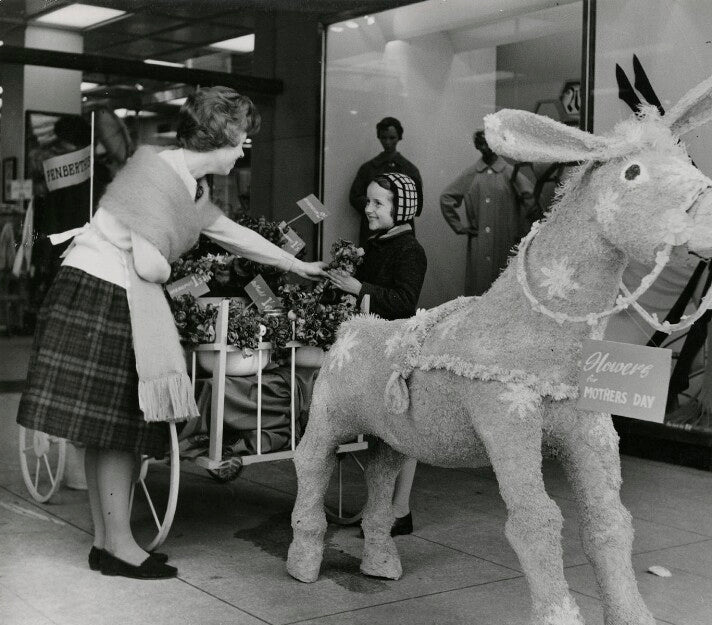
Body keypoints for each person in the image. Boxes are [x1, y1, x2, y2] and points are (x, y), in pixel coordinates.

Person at [17, 86, 326, 580]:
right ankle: (117, 547)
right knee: (118, 429)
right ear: (220, 135)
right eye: (243, 138)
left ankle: (107, 542)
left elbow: (226, 231)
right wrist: (172, 272)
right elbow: (150, 263)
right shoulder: (157, 175)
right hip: (105, 293)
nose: (245, 147)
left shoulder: (186, 182)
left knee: (107, 430)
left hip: (96, 289)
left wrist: (294, 262)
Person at [328, 172, 426, 535]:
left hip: (394, 349)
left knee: (401, 431)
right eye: (368, 201)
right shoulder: (375, 244)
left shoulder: (411, 250)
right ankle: (388, 507)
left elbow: (404, 301)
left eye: (377, 203)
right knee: (388, 432)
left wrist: (358, 287)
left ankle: (400, 510)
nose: (368, 209)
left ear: (401, 209)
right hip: (372, 346)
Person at [440, 129, 535, 296]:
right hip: (480, 243)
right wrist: (460, 227)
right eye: (481, 144)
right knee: (480, 289)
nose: (485, 148)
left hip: (505, 240)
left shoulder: (509, 173)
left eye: (489, 143)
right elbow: (446, 198)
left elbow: (531, 200)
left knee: (505, 289)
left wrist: (523, 231)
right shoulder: (471, 174)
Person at [348, 117, 423, 245]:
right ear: (379, 137)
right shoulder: (368, 168)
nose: (387, 142)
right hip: (372, 231)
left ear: (399, 137)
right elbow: (354, 197)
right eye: (384, 138)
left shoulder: (410, 169)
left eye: (392, 138)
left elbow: (417, 205)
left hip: (401, 234)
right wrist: (376, 204)